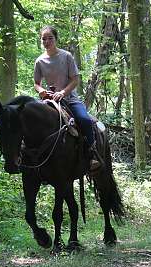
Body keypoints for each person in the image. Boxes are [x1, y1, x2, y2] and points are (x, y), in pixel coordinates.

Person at [33, 25, 100, 171]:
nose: (47, 41)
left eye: (50, 38)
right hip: (49, 100)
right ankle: (36, 164)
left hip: (69, 99)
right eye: (44, 39)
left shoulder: (66, 56)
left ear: (56, 39)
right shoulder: (39, 61)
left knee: (84, 120)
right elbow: (36, 83)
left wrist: (63, 92)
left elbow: (75, 80)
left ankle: (92, 153)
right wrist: (42, 91)